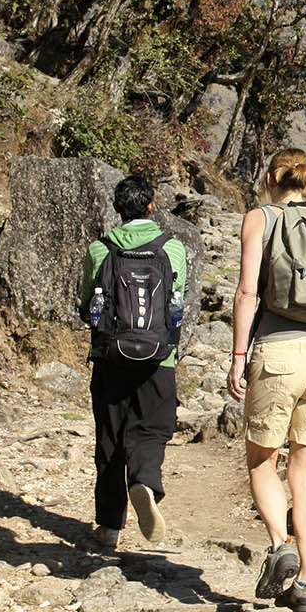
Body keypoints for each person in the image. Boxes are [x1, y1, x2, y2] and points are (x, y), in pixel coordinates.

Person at [227, 149, 306, 612]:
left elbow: (246, 292)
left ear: (268, 179)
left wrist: (239, 357)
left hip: (277, 351)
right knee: (305, 473)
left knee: (262, 461)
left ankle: (280, 543)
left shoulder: (259, 218)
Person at [79, 175, 188, 550]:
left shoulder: (99, 250)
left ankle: (109, 527)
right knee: (152, 429)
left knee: (109, 438)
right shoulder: (172, 249)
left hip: (109, 356)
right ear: (151, 206)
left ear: (116, 207)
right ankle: (143, 480)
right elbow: (177, 303)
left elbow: (86, 304)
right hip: (159, 358)